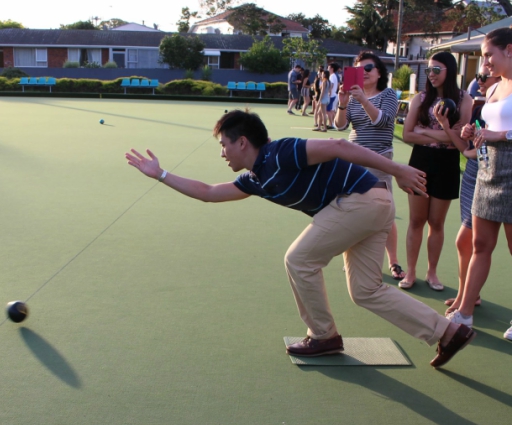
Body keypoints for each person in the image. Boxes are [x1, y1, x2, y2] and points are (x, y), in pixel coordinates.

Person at [125, 109, 476, 368]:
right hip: (372, 206)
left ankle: (323, 336)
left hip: (361, 201)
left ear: (242, 142)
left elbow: (339, 144)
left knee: (299, 258)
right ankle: (447, 333)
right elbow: (208, 192)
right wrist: (161, 174)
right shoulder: (256, 179)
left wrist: (397, 168)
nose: (222, 153)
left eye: (224, 145)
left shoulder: (282, 152)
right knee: (365, 291)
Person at [446, 27, 512, 335]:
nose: (485, 62)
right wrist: (471, 133)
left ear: (509, 50)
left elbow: (501, 130)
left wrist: (501, 135)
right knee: (480, 244)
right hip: (487, 171)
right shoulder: (494, 88)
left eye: (488, 55)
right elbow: (487, 124)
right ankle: (464, 313)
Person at [401, 52, 472, 291]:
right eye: (429, 70)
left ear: (449, 71)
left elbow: (457, 140)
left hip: (447, 163)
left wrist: (425, 132)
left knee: (436, 222)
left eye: (436, 70)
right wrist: (442, 134)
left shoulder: (464, 99)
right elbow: (407, 134)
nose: (431, 74)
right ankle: (410, 272)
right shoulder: (419, 99)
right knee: (416, 220)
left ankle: (432, 273)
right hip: (421, 161)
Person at [335, 51, 405, 281]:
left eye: (368, 68)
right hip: (354, 159)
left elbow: (383, 122)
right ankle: (353, 260)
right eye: (358, 69)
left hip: (380, 159)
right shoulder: (351, 96)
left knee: (384, 211)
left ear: (378, 72)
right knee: (353, 209)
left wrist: (363, 100)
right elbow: (340, 125)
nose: (363, 73)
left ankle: (393, 261)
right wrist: (343, 104)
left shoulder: (388, 95)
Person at [444, 67, 501, 315]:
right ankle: (466, 296)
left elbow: (484, 146)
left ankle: (466, 298)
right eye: (476, 76)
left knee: (466, 240)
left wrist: (484, 140)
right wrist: (453, 129)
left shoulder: (501, 109)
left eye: (483, 77)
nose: (478, 81)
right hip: (472, 176)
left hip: (492, 175)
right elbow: (467, 150)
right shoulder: (482, 108)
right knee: (468, 242)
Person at [326, 62, 340, 129]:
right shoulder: (334, 75)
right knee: (331, 110)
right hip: (334, 95)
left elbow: (331, 85)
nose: (327, 68)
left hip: (332, 95)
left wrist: (328, 93)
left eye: (328, 67)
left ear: (332, 68)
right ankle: (332, 123)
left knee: (329, 111)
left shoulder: (332, 76)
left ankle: (331, 124)